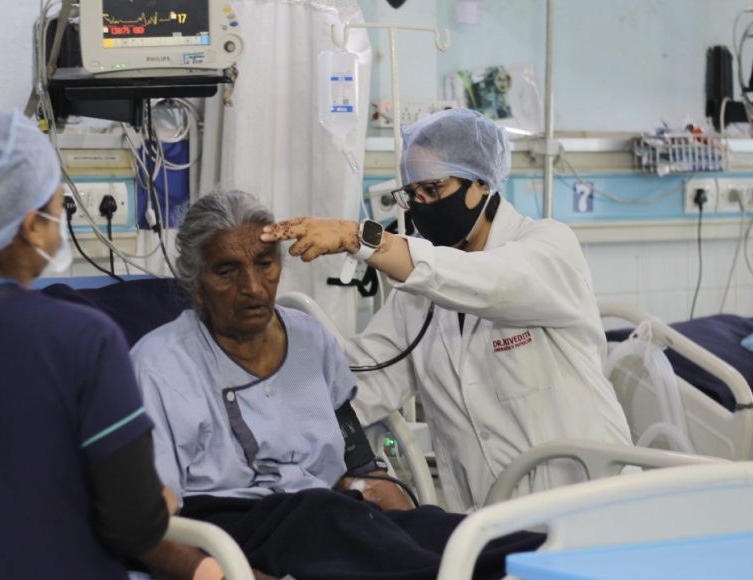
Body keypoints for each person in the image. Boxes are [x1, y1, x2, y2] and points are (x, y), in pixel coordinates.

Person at [131, 189, 543, 580]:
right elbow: (144, 523)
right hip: (230, 525)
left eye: (264, 263)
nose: (252, 288)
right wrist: (217, 575)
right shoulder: (160, 367)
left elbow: (360, 464)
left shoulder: (309, 339)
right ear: (195, 287)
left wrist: (400, 519)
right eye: (226, 272)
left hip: (325, 516)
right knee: (329, 517)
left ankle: (539, 559)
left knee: (441, 530)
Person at [0, 106, 220, 579]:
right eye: (55, 208)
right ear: (32, 226)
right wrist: (161, 503)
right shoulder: (81, 339)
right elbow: (134, 526)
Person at [261, 108, 632, 511]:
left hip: (594, 506)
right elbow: (362, 381)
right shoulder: (415, 298)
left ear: (481, 182)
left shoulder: (549, 248)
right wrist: (266, 403)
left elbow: (488, 283)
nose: (422, 206)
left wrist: (358, 237)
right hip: (489, 522)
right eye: (412, 195)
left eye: (434, 190)